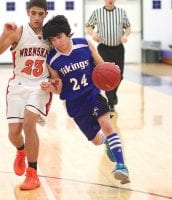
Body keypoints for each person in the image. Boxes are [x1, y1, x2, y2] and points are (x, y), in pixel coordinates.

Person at [41, 15, 130, 184]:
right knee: (96, 140)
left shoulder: (85, 44)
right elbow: (58, 89)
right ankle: (108, 143)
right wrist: (50, 87)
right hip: (74, 103)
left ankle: (121, 166)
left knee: (107, 125)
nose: (57, 42)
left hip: (93, 94)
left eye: (59, 37)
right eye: (52, 39)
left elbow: (102, 66)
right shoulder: (52, 60)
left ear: (67, 34)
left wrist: (112, 71)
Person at [0, 0, 51, 190]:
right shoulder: (18, 32)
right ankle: (21, 150)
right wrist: (4, 34)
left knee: (29, 123)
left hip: (41, 86)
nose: (37, 18)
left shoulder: (51, 35)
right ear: (27, 13)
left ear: (46, 14)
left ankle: (32, 173)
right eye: (34, 13)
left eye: (41, 14)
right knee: (14, 133)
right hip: (18, 85)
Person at [86, 0, 131, 112]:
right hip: (104, 48)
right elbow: (89, 26)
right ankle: (111, 102)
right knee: (106, 75)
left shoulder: (121, 12)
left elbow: (128, 27)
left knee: (119, 75)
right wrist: (93, 34)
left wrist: (125, 35)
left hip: (118, 48)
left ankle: (112, 95)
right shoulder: (97, 12)